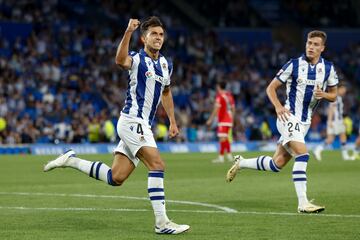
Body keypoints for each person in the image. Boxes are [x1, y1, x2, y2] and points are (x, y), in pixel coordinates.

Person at [44, 17, 190, 235]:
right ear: (144, 39)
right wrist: (128, 32)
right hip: (132, 121)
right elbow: (120, 61)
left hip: (143, 125)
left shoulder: (165, 63)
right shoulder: (137, 58)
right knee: (157, 165)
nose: (158, 38)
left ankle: (71, 161)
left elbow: (166, 92)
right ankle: (162, 223)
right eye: (154, 34)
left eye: (161, 34)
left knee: (116, 177)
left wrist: (173, 121)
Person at [226, 30, 338, 214]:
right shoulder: (293, 65)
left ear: (322, 48)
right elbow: (271, 88)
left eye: (316, 44)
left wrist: (324, 95)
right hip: (288, 117)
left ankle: (241, 163)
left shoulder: (328, 68)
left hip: (305, 122)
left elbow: (333, 95)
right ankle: (303, 203)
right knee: (303, 155)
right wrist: (278, 107)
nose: (311, 47)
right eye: (309, 43)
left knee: (276, 163)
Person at [313, 85, 351, 160]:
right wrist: (330, 121)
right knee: (333, 139)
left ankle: (318, 149)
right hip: (335, 121)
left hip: (338, 121)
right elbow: (331, 109)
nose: (344, 91)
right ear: (339, 89)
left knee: (340, 137)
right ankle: (318, 149)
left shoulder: (339, 98)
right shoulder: (335, 97)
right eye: (343, 89)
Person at [206, 81, 235, 163]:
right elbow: (233, 108)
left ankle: (221, 157)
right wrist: (232, 119)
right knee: (225, 138)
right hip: (229, 119)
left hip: (223, 120)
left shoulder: (220, 96)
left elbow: (216, 108)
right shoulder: (229, 95)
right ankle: (229, 156)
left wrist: (210, 119)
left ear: (218, 87)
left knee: (222, 138)